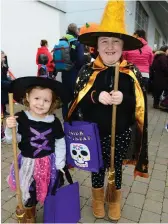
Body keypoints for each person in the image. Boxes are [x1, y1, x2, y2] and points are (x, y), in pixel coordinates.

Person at [67, 1, 148, 221]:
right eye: (105, 41)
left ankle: (113, 201)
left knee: (116, 168)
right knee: (97, 168)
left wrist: (125, 98)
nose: (110, 46)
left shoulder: (130, 72)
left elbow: (138, 103)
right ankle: (96, 200)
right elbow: (78, 101)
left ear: (122, 47)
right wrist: (95, 96)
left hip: (120, 132)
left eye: (115, 42)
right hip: (94, 132)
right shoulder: (88, 70)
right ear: (97, 46)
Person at [5, 74, 69, 222]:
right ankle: (30, 215)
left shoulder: (54, 122)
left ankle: (50, 213)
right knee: (28, 189)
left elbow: (60, 142)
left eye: (46, 100)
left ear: (52, 102)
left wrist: (60, 162)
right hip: (28, 163)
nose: (41, 104)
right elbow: (12, 140)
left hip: (48, 164)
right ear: (27, 97)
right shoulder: (21, 118)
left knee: (48, 188)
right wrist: (10, 128)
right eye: (37, 98)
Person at [61, 23, 85, 119]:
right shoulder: (77, 42)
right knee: (75, 94)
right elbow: (80, 59)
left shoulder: (63, 40)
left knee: (65, 95)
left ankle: (65, 115)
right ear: (76, 31)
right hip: (74, 72)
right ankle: (74, 116)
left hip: (64, 71)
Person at [1, 50, 11, 117]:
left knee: (4, 98)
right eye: (2, 54)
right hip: (2, 82)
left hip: (4, 81)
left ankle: (4, 111)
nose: (3, 56)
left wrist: (6, 58)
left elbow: (6, 69)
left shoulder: (3, 65)